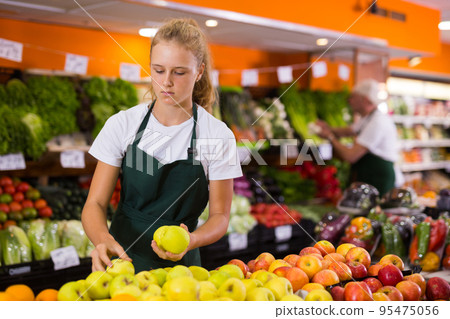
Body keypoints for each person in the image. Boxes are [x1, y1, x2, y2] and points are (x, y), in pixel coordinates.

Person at [81, 18, 242, 272]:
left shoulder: (216, 134)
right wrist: (102, 240)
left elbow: (220, 217)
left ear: (199, 71)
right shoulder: (123, 124)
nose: (166, 82)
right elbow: (95, 204)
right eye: (158, 70)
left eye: (179, 72)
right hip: (122, 260)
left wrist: (192, 240)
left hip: (180, 269)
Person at [316, 79, 398, 196]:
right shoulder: (367, 118)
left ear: (365, 99)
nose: (349, 100)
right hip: (369, 174)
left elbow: (351, 156)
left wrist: (329, 136)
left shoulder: (377, 122)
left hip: (378, 179)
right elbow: (349, 131)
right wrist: (328, 128)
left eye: (353, 97)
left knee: (374, 212)